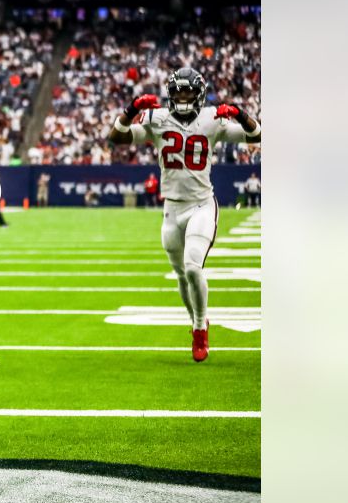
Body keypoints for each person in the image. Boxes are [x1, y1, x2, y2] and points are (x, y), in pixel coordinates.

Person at [108, 67, 261, 362]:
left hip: (201, 204)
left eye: (188, 91)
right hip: (171, 207)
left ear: (199, 94)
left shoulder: (211, 120)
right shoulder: (158, 120)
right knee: (180, 274)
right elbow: (118, 138)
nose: (183, 96)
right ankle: (196, 321)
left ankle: (199, 328)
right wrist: (130, 110)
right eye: (178, 91)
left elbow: (255, 135)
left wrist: (241, 113)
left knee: (193, 267)